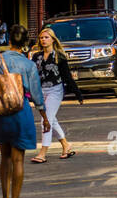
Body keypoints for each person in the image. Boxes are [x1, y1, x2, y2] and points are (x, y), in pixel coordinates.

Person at [0, 24, 50, 198]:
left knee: (5, 157)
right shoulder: (28, 65)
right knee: (18, 160)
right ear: (25, 43)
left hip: (0, 112)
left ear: (9, 40)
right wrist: (44, 117)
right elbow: (36, 95)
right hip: (20, 112)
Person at [30, 26, 82, 162]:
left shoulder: (59, 56)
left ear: (53, 39)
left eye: (46, 37)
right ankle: (65, 145)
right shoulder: (37, 56)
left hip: (55, 90)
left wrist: (77, 93)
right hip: (41, 92)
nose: (43, 40)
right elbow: (32, 75)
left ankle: (43, 152)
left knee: (45, 120)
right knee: (51, 119)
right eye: (41, 38)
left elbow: (67, 76)